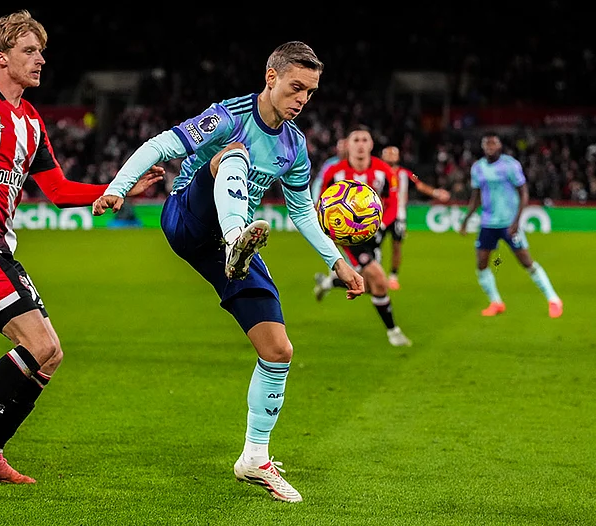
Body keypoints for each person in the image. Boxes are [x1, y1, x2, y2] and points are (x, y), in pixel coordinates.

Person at [92, 41, 365, 503]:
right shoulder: (228, 115)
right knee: (230, 154)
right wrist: (118, 187)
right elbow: (162, 144)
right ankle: (237, 238)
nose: (302, 99)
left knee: (278, 350)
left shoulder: (295, 146)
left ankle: (254, 458)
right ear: (271, 76)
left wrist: (337, 261)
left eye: (311, 92)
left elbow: (301, 211)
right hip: (187, 218)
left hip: (232, 243)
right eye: (296, 87)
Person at [0, 10, 163, 497]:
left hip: (0, 248)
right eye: (29, 51)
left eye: (40, 51)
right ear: (0, 58)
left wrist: (118, 188)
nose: (40, 59)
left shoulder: (30, 120)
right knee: (40, 347)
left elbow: (58, 188)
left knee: (52, 355)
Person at [312, 126, 413, 347]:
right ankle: (393, 332)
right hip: (349, 237)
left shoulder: (384, 171)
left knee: (370, 285)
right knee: (379, 280)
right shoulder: (334, 172)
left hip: (375, 233)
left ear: (371, 145)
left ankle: (330, 282)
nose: (360, 144)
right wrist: (333, 232)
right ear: (348, 145)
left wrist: (382, 226)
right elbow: (322, 204)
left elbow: (394, 202)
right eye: (355, 139)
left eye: (364, 139)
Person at [459, 132, 563, 318]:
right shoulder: (478, 168)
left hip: (508, 223)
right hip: (488, 223)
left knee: (526, 261)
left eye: (494, 143)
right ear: (483, 147)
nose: (490, 147)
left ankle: (553, 299)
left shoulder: (510, 165)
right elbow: (476, 197)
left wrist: (516, 221)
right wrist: (466, 221)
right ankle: (496, 302)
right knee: (482, 263)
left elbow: (524, 192)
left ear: (500, 146)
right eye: (487, 144)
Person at [379, 145, 451, 290]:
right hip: (377, 216)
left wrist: (436, 193)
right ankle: (376, 275)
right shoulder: (376, 172)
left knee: (397, 246)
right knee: (375, 246)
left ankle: (393, 276)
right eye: (388, 153)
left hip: (398, 216)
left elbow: (418, 183)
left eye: (394, 153)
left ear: (398, 157)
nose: (391, 156)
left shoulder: (407, 173)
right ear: (382, 156)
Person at [310, 137, 347, 205]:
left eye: (344, 146)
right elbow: (319, 182)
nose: (342, 149)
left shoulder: (356, 164)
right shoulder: (330, 163)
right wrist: (316, 201)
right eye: (339, 146)